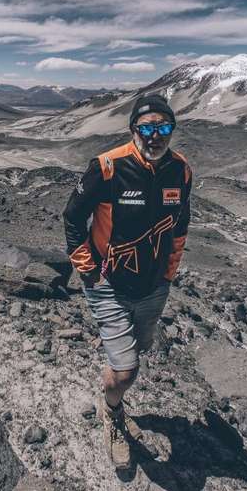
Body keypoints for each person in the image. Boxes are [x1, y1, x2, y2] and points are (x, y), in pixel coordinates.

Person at [63, 93, 192, 471]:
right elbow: (72, 217)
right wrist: (88, 271)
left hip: (154, 286)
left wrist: (169, 272)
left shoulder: (181, 171)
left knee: (141, 346)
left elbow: (180, 225)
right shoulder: (107, 167)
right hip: (108, 284)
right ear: (133, 129)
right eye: (147, 128)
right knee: (126, 371)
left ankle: (115, 363)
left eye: (164, 127)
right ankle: (112, 412)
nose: (156, 136)